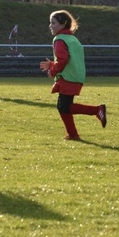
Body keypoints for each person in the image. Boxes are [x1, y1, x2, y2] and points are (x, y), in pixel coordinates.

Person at [39, 10, 106, 140]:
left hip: (68, 77)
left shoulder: (59, 40)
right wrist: (52, 64)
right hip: (76, 76)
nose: (50, 26)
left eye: (53, 23)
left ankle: (97, 110)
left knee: (64, 106)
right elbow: (70, 59)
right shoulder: (72, 39)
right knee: (63, 106)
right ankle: (73, 134)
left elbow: (63, 60)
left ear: (63, 23)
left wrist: (52, 71)